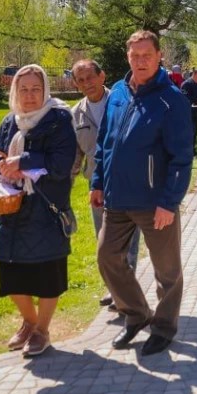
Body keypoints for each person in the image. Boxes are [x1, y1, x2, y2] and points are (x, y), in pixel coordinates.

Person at [91, 30, 194, 356]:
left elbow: (182, 156)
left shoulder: (171, 99)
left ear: (159, 56)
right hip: (117, 198)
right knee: (106, 257)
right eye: (134, 56)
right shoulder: (119, 92)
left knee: (167, 271)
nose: (140, 61)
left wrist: (169, 201)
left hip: (155, 203)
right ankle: (136, 314)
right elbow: (106, 141)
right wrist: (97, 181)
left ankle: (163, 327)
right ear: (127, 57)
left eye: (146, 55)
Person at [0, 64, 76, 358]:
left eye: (36, 89)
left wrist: (22, 162)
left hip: (46, 209)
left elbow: (62, 163)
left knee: (47, 276)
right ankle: (30, 321)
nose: (30, 95)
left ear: (45, 89)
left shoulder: (59, 119)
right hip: (12, 211)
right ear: (15, 92)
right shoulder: (9, 121)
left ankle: (42, 331)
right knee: (11, 276)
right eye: (23, 89)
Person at [70, 59, 138, 309]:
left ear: (102, 76)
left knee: (129, 240)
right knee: (105, 241)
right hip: (97, 186)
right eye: (81, 80)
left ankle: (127, 295)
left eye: (90, 77)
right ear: (77, 85)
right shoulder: (75, 114)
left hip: (126, 182)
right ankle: (114, 289)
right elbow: (75, 154)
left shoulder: (123, 102)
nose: (87, 83)